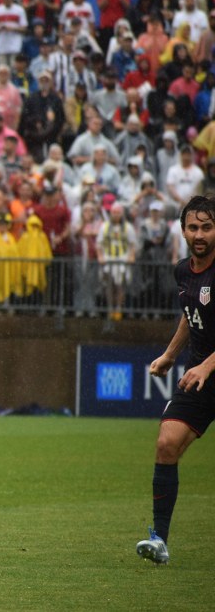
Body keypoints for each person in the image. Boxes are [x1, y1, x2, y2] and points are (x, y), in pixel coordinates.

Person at [138, 196, 215, 565]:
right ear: (183, 230)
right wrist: (171, 355)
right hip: (201, 375)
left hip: (206, 370)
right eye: (193, 227)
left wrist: (206, 366)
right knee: (167, 444)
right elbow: (191, 313)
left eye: (207, 227)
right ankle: (160, 540)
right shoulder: (183, 271)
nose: (199, 234)